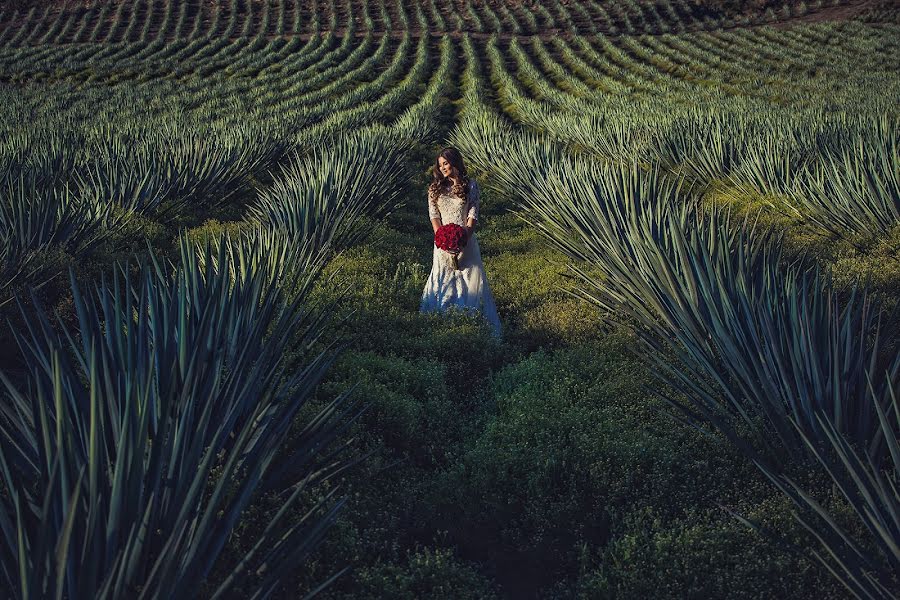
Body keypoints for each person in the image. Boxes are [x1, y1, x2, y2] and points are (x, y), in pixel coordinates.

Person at [419, 147, 502, 338]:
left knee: (469, 279)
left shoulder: (470, 185)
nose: (443, 168)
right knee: (443, 278)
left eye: (446, 163)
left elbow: (472, 215)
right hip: (442, 244)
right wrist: (443, 240)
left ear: (455, 162)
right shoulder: (434, 188)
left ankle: (472, 325)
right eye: (440, 165)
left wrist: (463, 240)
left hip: (466, 240)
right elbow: (434, 217)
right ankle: (442, 325)